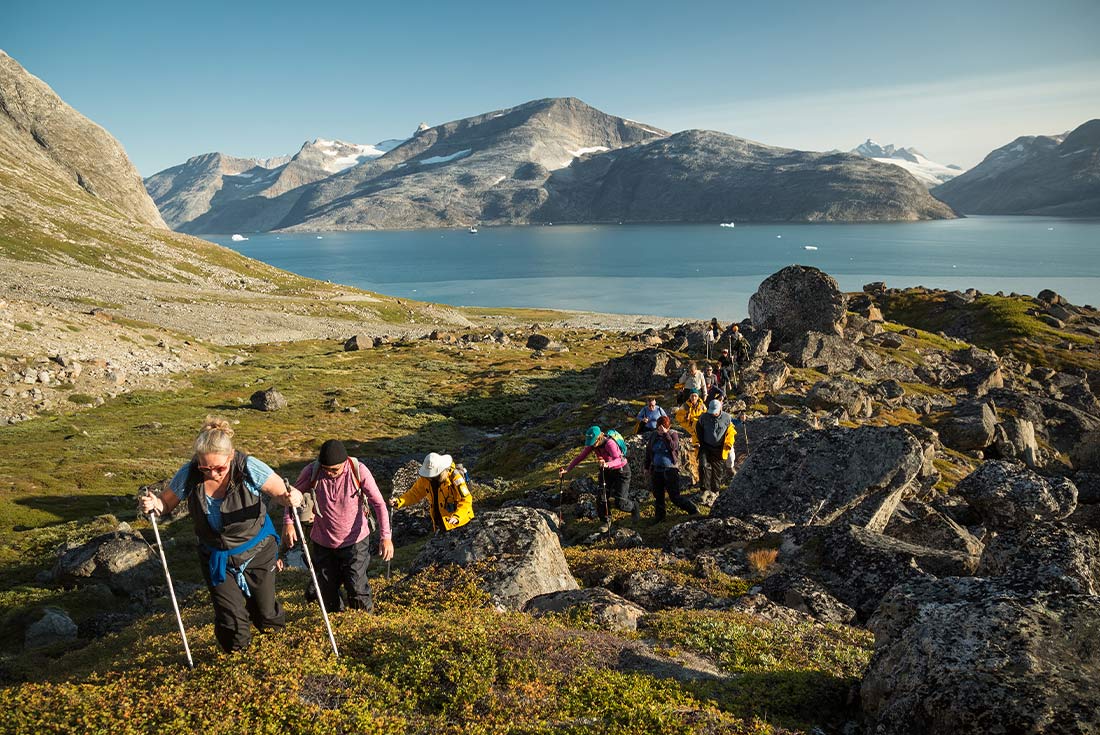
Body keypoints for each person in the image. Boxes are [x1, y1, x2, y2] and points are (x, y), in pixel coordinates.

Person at [138, 416, 303, 653]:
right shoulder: (189, 473)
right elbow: (165, 505)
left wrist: (293, 497)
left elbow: (282, 493)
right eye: (205, 468)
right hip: (217, 559)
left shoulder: (248, 467)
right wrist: (154, 504)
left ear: (231, 456)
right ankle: (236, 662)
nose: (212, 473)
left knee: (265, 613)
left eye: (219, 468)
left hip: (257, 551)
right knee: (231, 622)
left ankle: (278, 654)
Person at [282, 440, 393, 613]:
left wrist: (386, 537)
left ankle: (364, 624)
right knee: (327, 591)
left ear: (345, 461)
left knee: (356, 586)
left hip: (355, 540)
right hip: (322, 542)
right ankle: (338, 622)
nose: (330, 473)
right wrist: (288, 523)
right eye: (326, 468)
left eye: (334, 469)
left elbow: (379, 503)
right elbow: (291, 496)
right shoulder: (312, 471)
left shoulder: (358, 470)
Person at [560, 426, 635, 529]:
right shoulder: (592, 445)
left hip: (621, 471)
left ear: (599, 438)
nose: (592, 445)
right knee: (601, 497)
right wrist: (568, 469)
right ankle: (606, 521)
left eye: (593, 442)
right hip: (606, 471)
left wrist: (607, 464)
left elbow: (619, 460)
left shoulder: (610, 444)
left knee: (620, 503)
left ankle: (634, 507)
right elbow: (580, 457)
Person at [392, 452, 474, 533]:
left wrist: (457, 517)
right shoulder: (425, 479)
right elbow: (415, 493)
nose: (431, 477)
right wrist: (399, 501)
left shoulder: (455, 477)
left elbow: (466, 500)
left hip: (461, 524)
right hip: (441, 524)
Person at [644, 416, 698, 522]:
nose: (660, 431)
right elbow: (649, 451)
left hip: (670, 470)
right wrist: (646, 466)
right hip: (656, 469)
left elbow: (673, 447)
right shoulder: (654, 435)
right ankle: (660, 518)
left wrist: (665, 434)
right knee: (658, 495)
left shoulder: (673, 434)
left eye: (662, 429)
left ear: (668, 427)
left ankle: (692, 509)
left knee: (674, 497)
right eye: (658, 429)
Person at [695, 400, 736, 494]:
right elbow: (698, 427)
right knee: (703, 466)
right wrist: (700, 442)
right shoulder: (703, 417)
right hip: (706, 446)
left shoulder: (727, 417)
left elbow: (731, 430)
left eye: (715, 411)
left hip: (719, 449)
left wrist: (728, 443)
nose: (713, 413)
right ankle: (704, 490)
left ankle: (715, 491)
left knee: (717, 471)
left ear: (720, 408)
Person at [674, 393, 706, 483]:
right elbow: (678, 417)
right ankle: (697, 477)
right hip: (688, 428)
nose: (694, 398)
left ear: (698, 396)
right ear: (689, 397)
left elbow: (706, 415)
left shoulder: (702, 405)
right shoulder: (685, 406)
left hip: (700, 429)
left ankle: (702, 477)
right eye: (692, 396)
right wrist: (686, 417)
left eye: (695, 396)